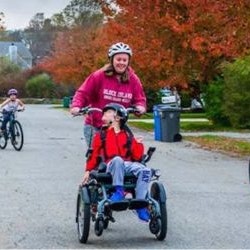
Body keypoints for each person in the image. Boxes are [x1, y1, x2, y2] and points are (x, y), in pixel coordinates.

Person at [82, 103, 151, 222]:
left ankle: (140, 204)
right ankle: (119, 191)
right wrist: (88, 170)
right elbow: (93, 155)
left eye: (108, 112)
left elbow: (137, 157)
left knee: (145, 170)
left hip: (127, 165)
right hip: (110, 166)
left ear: (118, 118)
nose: (104, 114)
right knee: (118, 160)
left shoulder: (128, 136)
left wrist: (138, 144)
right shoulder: (101, 135)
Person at [70, 42, 147, 147]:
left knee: (125, 155)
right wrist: (76, 106)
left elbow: (140, 98)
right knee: (99, 157)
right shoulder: (99, 76)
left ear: (128, 61)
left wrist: (140, 107)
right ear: (112, 60)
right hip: (96, 126)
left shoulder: (133, 79)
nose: (121, 63)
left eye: (125, 60)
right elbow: (83, 93)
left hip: (118, 127)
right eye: (118, 59)